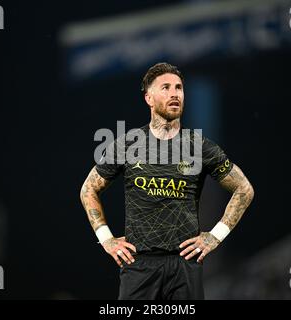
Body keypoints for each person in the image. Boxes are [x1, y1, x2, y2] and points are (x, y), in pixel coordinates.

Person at [80, 62, 254, 300]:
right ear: (148, 98)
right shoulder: (128, 144)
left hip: (185, 265)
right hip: (138, 264)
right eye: (166, 87)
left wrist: (215, 237)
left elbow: (244, 189)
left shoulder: (199, 146)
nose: (174, 94)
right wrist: (107, 240)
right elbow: (89, 189)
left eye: (179, 88)